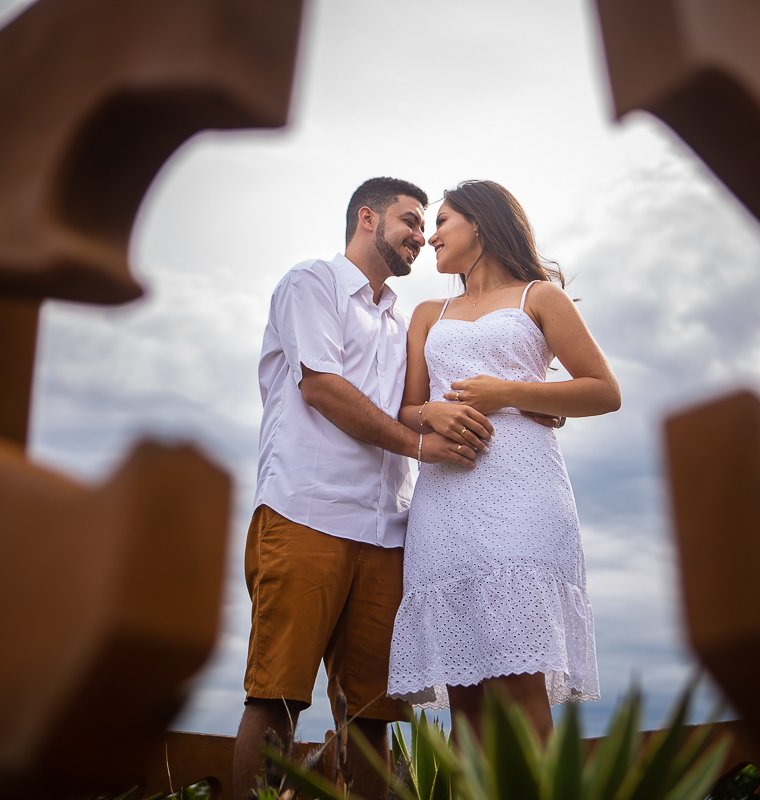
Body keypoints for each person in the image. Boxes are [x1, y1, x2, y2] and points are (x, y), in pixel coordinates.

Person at [232, 177, 481, 800]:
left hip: (386, 532)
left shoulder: (404, 322)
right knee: (277, 696)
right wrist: (420, 445)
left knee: (373, 712)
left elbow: (409, 407)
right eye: (410, 221)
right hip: (305, 513)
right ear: (367, 218)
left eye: (426, 226)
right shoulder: (310, 283)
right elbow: (321, 387)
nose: (421, 237)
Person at [386, 180, 621, 742]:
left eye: (443, 221)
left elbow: (603, 390)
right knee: (463, 693)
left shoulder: (539, 297)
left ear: (481, 225)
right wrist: (434, 414)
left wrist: (511, 392)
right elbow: (405, 409)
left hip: (526, 498)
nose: (431, 236)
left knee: (520, 686)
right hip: (444, 505)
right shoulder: (425, 313)